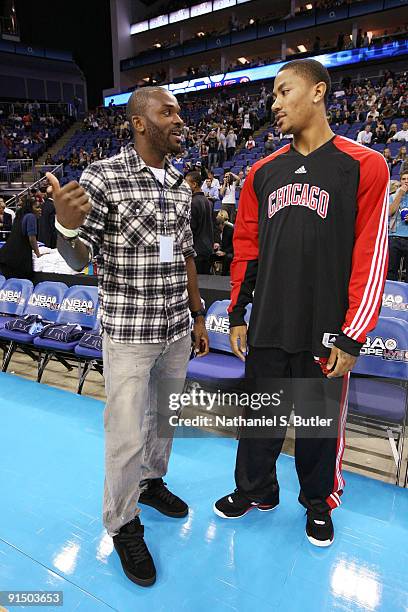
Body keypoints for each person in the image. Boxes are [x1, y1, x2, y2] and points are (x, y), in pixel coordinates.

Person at [213, 59, 389, 547]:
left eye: (282, 92)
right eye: (273, 95)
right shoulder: (261, 173)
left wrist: (354, 333)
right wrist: (237, 313)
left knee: (317, 428)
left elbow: (370, 255)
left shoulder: (365, 165)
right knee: (260, 419)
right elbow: (245, 247)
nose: (274, 104)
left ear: (317, 91)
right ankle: (255, 490)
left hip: (325, 327)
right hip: (268, 320)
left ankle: (317, 502)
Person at [46, 86, 209, 587]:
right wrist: (66, 228)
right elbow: (76, 258)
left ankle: (152, 482)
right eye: (168, 111)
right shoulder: (103, 176)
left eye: (180, 111)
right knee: (124, 436)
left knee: (164, 421)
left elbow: (183, 253)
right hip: (131, 334)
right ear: (140, 122)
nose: (179, 118)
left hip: (176, 329)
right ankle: (122, 522)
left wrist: (198, 314)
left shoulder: (180, 182)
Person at [0, 195, 43, 279]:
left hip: (6, 255)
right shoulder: (31, 216)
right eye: (37, 207)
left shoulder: (19, 216)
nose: (40, 210)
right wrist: (38, 254)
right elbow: (32, 239)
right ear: (30, 208)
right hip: (17, 258)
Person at [185, 170, 214, 274]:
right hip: (208, 248)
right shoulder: (208, 202)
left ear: (194, 184)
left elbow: (192, 228)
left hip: (197, 249)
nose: (185, 186)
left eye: (186, 183)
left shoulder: (192, 202)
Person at [388, 171, 408, 280]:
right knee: (391, 270)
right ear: (401, 181)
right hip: (394, 237)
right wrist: (400, 194)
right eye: (404, 179)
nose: (406, 181)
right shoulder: (393, 196)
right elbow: (389, 212)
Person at [213, 209, 234, 275]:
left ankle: (224, 274)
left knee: (228, 257)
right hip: (217, 251)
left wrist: (224, 252)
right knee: (209, 255)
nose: (221, 227)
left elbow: (233, 245)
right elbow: (214, 240)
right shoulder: (215, 229)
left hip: (227, 252)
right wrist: (215, 244)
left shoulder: (230, 230)